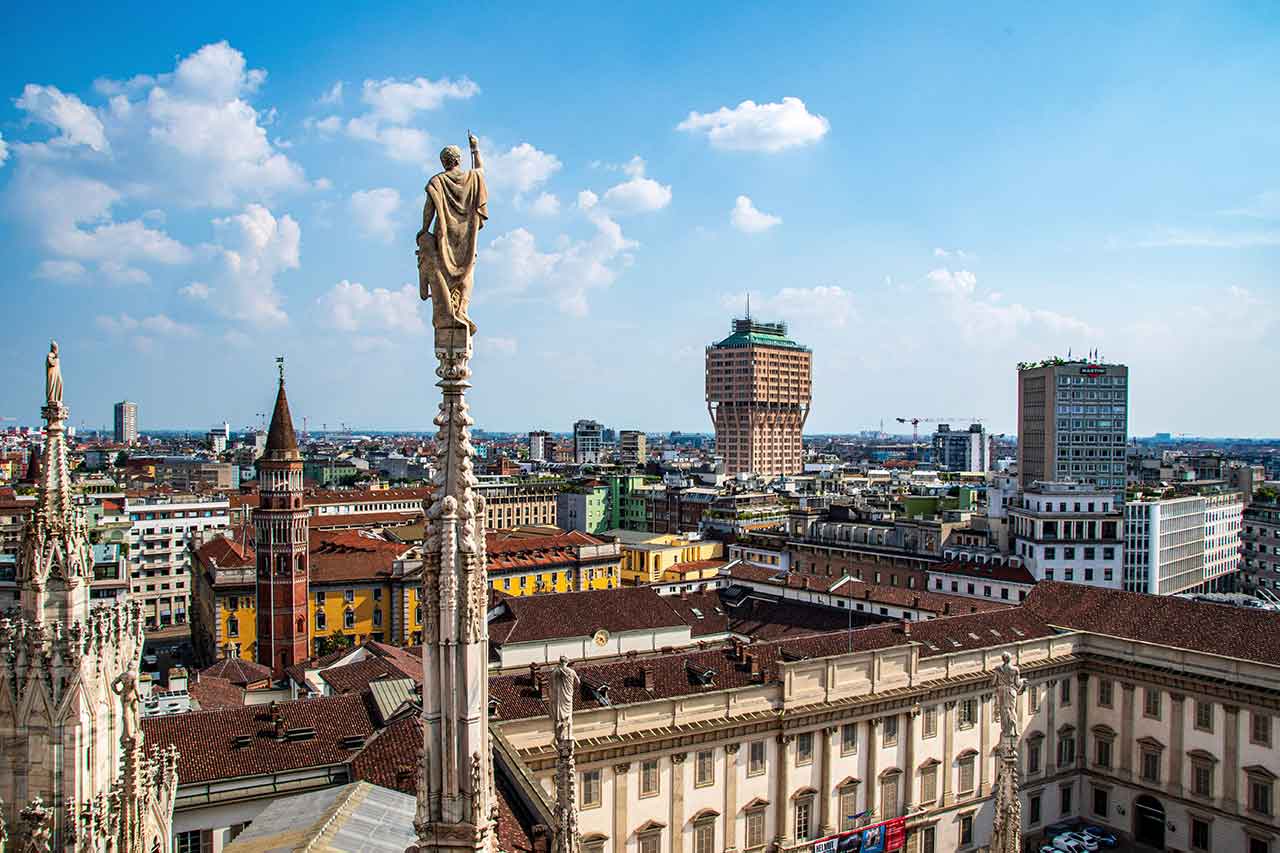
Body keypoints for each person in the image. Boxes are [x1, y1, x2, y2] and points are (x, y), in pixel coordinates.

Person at [417, 134, 488, 335]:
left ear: (444, 162)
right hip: (466, 233)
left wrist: (424, 229)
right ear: (458, 160)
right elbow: (480, 169)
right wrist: (475, 148)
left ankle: (451, 307)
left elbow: (429, 209)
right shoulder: (472, 178)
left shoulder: (437, 181)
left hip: (445, 233)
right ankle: (461, 308)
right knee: (467, 270)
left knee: (444, 270)